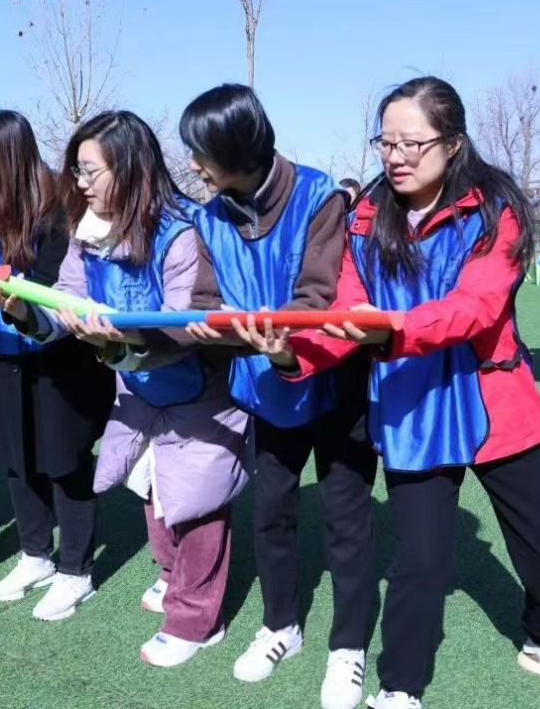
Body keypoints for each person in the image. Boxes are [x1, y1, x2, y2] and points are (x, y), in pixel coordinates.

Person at [235, 77, 540, 709]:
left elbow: (475, 306)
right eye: (386, 143)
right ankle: (399, 688)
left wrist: (391, 328)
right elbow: (345, 313)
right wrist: (288, 353)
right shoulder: (365, 216)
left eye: (412, 142)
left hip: (494, 400)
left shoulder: (495, 210)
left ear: (453, 142)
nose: (396, 156)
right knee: (422, 562)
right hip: (413, 408)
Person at [0, 109, 249, 668]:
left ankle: (197, 620)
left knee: (199, 505)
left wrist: (118, 341)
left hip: (197, 392)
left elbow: (184, 327)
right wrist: (25, 311)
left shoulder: (180, 233)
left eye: (91, 171)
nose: (80, 183)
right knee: (153, 491)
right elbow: (65, 302)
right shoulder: (87, 234)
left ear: (130, 169)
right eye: (77, 171)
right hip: (138, 389)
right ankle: (172, 575)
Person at [179, 84, 376, 709]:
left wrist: (271, 335)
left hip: (336, 383)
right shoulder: (208, 218)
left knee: (346, 520)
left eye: (201, 152)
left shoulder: (321, 196)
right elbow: (205, 302)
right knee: (270, 512)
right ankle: (280, 626)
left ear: (237, 147)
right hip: (265, 388)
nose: (194, 165)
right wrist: (209, 328)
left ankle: (348, 647)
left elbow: (318, 296)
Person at [0, 110, 114, 621]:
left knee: (65, 464)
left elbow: (54, 290)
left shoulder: (58, 212)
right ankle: (36, 554)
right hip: (0, 359)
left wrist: (14, 298)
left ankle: (76, 571)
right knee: (17, 459)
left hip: (59, 362)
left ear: (9, 158)